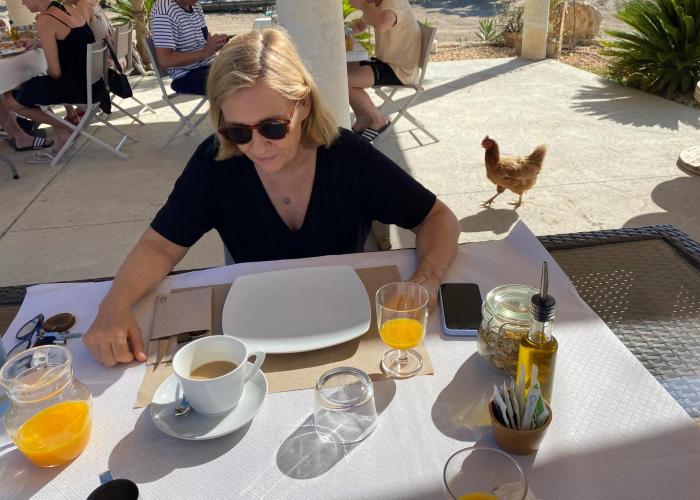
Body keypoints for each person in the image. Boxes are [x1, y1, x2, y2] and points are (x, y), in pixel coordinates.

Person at [83, 27, 460, 367]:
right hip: (253, 331)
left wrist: (425, 281)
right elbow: (160, 245)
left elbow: (436, 218)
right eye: (238, 131)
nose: (257, 146)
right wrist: (114, 305)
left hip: (345, 323)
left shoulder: (348, 156)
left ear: (304, 104)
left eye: (273, 127)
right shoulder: (215, 163)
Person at [3, 0, 109, 163]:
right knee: (30, 86)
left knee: (10, 99)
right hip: (94, 84)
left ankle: (66, 128)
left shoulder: (45, 19)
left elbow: (56, 72)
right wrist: (39, 43)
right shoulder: (69, 10)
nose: (23, 3)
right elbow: (71, 42)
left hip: (76, 89)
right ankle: (63, 133)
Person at [347, 0, 421, 141]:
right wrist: (342, 31)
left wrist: (363, 5)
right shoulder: (373, 3)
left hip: (400, 70)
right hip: (386, 62)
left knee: (345, 81)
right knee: (346, 68)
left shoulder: (392, 4)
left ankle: (378, 120)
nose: (348, 2)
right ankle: (362, 118)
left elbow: (383, 25)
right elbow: (359, 26)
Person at [150, 0, 228, 95]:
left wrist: (216, 44)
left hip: (208, 66)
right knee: (234, 80)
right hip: (187, 75)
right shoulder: (163, 11)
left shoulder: (195, 6)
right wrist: (205, 52)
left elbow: (203, 40)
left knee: (243, 67)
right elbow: (165, 60)